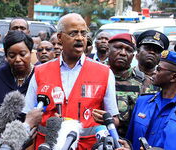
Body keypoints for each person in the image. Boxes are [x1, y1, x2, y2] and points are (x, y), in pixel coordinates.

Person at [23, 13, 119, 149]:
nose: (80, 38)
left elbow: (114, 120)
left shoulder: (104, 72)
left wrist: (107, 120)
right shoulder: (40, 72)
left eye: (83, 33)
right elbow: (29, 116)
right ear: (60, 37)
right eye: (73, 33)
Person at [126, 50, 176, 150]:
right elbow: (130, 139)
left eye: (159, 69)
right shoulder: (143, 101)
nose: (154, 72)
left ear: (174, 77)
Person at [0, 30, 34, 123]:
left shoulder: (40, 76)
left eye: (22, 54)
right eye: (12, 55)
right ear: (6, 56)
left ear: (30, 53)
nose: (18, 59)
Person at [107, 33, 149, 137]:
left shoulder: (145, 82)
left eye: (129, 50)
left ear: (133, 56)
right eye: (118, 48)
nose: (123, 53)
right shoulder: (94, 76)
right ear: (108, 50)